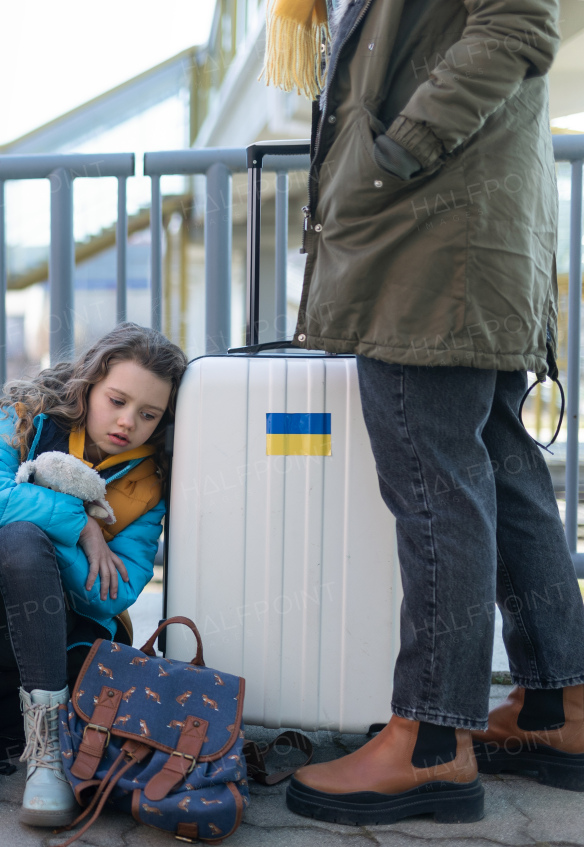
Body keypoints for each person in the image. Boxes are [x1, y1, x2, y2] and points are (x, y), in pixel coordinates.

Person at [262, 0, 584, 826]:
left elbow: (517, 24)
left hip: (432, 245)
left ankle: (433, 743)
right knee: (503, 477)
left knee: (434, 484)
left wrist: (393, 153)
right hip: (466, 237)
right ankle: (561, 708)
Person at [0, 322, 187, 825]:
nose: (128, 421)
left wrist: (45, 539)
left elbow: (116, 591)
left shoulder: (149, 479)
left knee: (21, 540)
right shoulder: (20, 416)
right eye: (117, 400)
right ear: (88, 385)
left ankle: (49, 746)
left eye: (148, 414)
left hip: (48, 610)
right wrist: (80, 523)